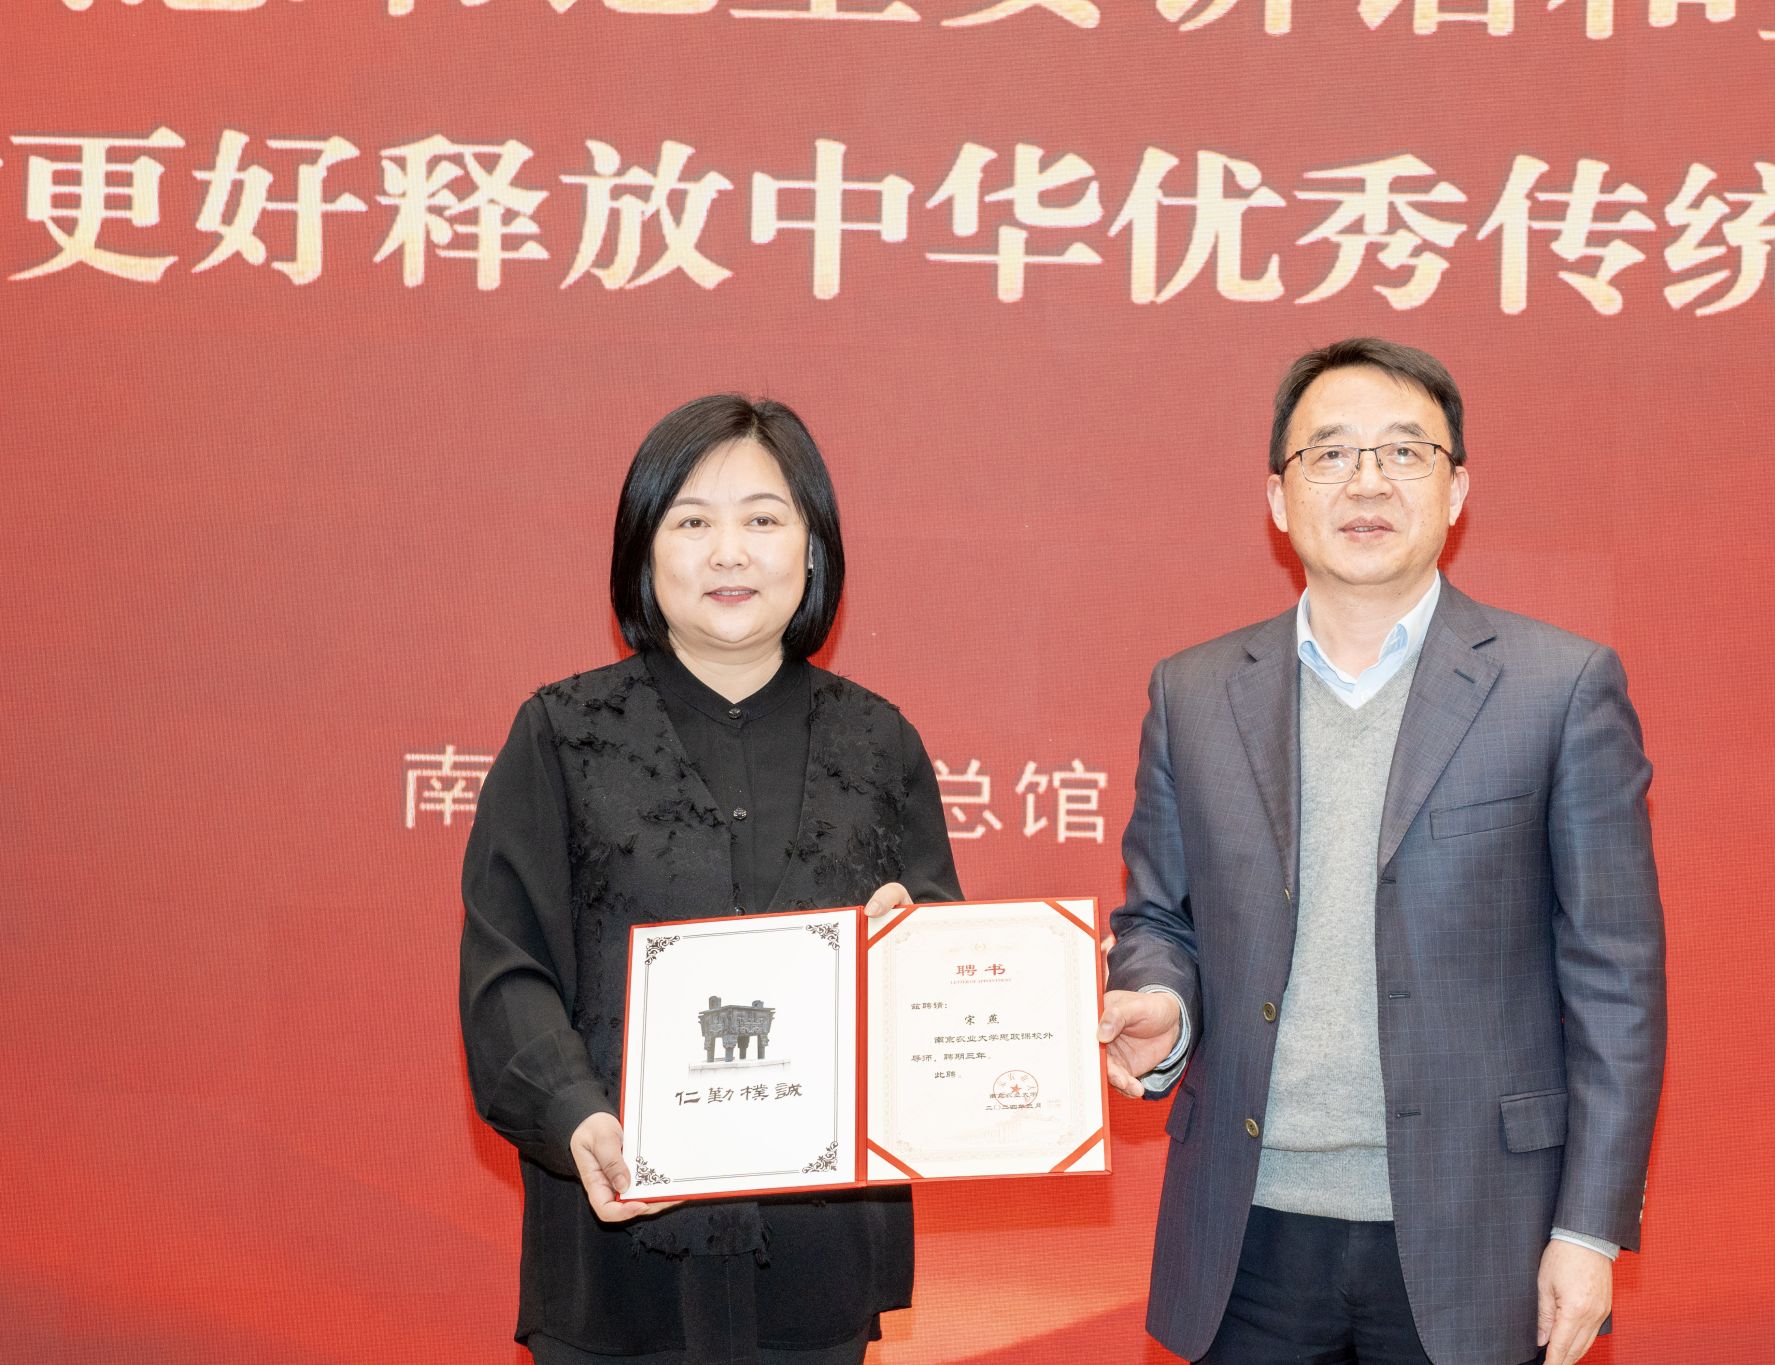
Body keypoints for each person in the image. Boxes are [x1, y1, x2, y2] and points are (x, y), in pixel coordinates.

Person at [1097, 339, 1665, 1365]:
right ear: (1279, 499)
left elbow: (1614, 979)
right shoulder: (1193, 692)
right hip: (1246, 1231)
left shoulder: (1559, 687)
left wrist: (1587, 1231)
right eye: (1329, 454)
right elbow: (1158, 918)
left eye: (1404, 452)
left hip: (1477, 1228)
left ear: (1456, 490)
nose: (1367, 482)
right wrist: (1164, 1007)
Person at [460, 395, 961, 1365]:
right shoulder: (560, 735)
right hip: (614, 1258)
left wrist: (920, 958)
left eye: (763, 519)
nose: (729, 552)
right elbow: (507, 970)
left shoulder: (880, 743)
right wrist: (575, 1116)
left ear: (812, 548)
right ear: (642, 552)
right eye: (691, 522)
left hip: (816, 1262)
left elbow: (938, 966)